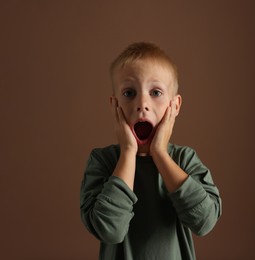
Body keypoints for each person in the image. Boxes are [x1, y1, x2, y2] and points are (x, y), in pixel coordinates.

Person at [80, 42, 222, 260]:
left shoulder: (185, 160)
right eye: (129, 93)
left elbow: (204, 222)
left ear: (175, 106)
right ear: (114, 105)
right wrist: (128, 152)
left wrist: (160, 154)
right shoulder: (103, 161)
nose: (142, 104)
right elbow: (110, 230)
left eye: (155, 92)